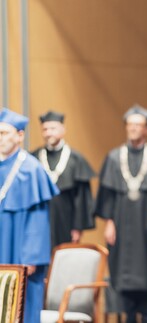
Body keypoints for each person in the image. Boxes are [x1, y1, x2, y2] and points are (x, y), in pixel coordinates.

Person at [94, 104, 147, 323]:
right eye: (129, 125)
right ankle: (127, 315)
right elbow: (108, 195)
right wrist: (109, 222)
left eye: (138, 125)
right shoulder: (114, 158)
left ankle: (146, 314)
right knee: (121, 269)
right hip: (121, 224)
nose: (132, 129)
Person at [0, 108, 59, 323]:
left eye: (4, 133)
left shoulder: (32, 169)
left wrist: (32, 258)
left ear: (20, 135)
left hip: (21, 253)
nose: (0, 139)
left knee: (22, 307)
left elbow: (38, 221)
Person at [31, 110, 96, 248]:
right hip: (39, 219)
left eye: (53, 128)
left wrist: (78, 227)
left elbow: (82, 198)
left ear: (63, 129)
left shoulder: (76, 159)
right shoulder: (34, 158)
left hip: (66, 220)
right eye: (45, 129)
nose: (48, 133)